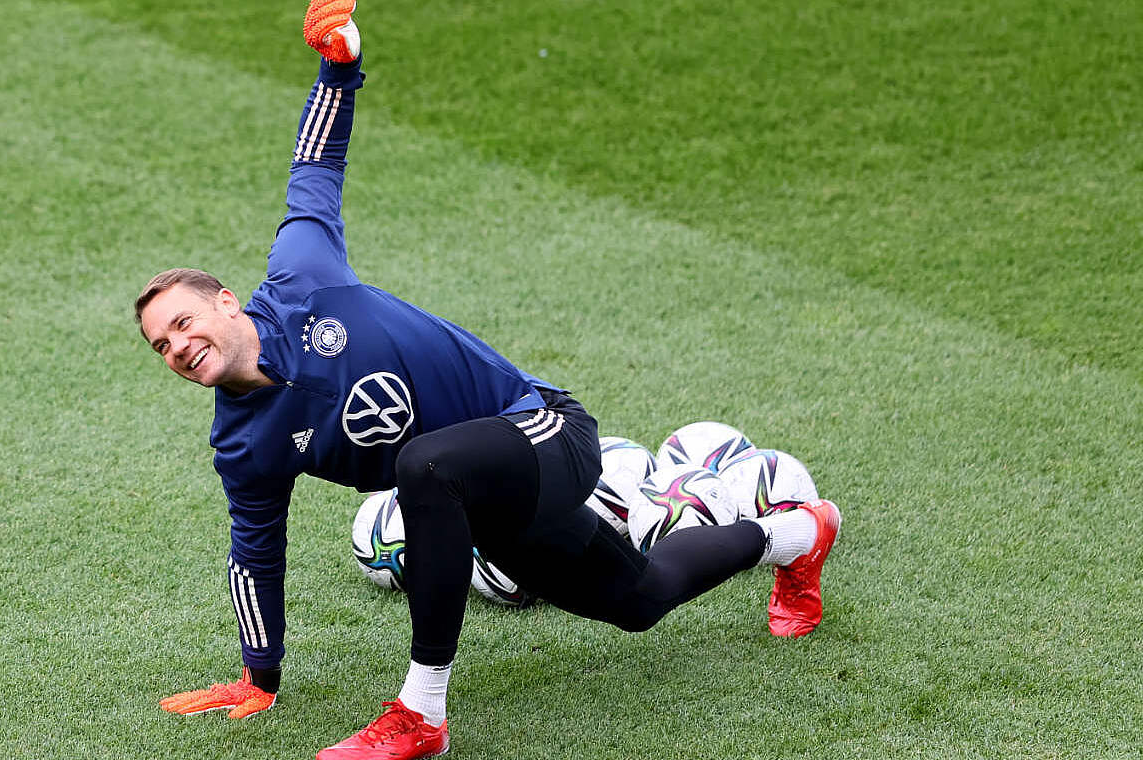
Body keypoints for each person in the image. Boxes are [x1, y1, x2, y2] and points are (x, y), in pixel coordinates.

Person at [139, 2, 842, 758]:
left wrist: (339, 65)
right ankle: (800, 534)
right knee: (640, 598)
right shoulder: (242, 444)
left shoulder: (303, 276)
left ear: (223, 300)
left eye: (183, 323)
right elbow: (255, 551)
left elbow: (314, 168)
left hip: (545, 429)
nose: (177, 347)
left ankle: (422, 715)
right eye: (160, 347)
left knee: (421, 464)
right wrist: (259, 674)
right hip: (477, 497)